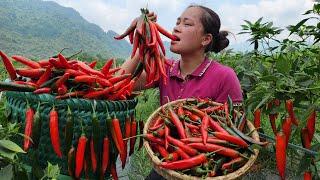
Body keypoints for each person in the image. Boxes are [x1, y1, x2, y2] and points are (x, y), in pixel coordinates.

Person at [121, 4, 243, 179]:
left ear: (205, 39)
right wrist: (143, 38)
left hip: (203, 169)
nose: (176, 27)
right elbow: (119, 82)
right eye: (177, 22)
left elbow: (234, 133)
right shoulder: (166, 70)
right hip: (168, 163)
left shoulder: (224, 76)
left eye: (187, 24)